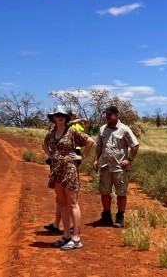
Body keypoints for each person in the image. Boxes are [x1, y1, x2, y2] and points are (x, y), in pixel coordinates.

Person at [42, 106, 95, 250]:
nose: (60, 117)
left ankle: (76, 238)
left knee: (72, 202)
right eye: (58, 115)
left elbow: (90, 141)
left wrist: (81, 156)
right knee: (61, 202)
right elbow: (44, 144)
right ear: (53, 118)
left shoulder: (72, 131)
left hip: (69, 169)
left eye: (63, 115)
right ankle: (66, 235)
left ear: (66, 118)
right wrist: (51, 155)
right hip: (57, 169)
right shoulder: (52, 132)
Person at [92, 106, 140, 228]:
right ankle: (106, 216)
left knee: (121, 193)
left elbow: (135, 146)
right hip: (105, 166)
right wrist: (96, 160)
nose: (108, 116)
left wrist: (129, 160)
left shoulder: (124, 129)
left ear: (117, 115)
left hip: (120, 168)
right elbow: (99, 146)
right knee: (104, 192)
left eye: (111, 114)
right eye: (107, 114)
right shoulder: (102, 129)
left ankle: (120, 217)